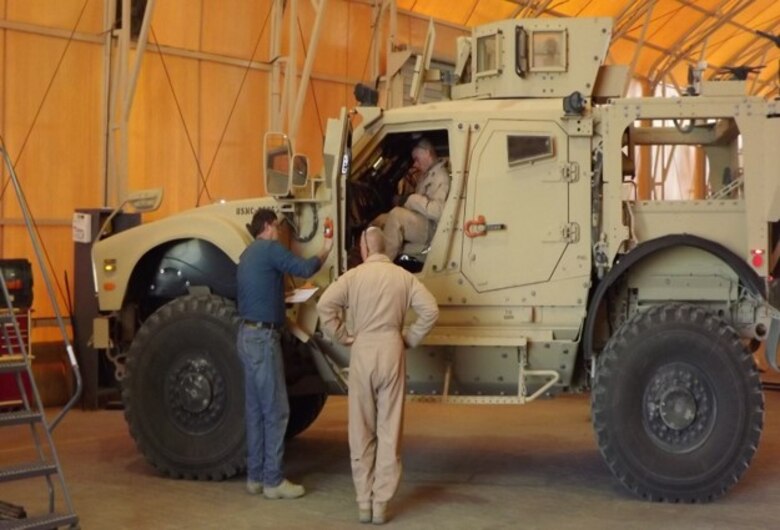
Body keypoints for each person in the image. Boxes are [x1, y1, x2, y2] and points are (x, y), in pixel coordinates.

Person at [316, 227, 439, 524]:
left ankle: (363, 502)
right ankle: (382, 503)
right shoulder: (404, 277)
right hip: (392, 348)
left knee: (361, 428)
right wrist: (409, 338)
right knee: (389, 428)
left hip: (363, 350)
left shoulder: (353, 277)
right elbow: (431, 311)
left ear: (364, 247)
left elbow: (324, 305)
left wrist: (342, 335)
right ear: (387, 248)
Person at [237, 208, 333, 499]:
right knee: (277, 411)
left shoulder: (248, 254)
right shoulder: (269, 249)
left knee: (255, 411)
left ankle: (255, 477)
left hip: (245, 335)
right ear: (268, 226)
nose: (279, 231)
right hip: (263, 340)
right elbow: (304, 269)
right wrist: (326, 248)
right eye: (277, 226)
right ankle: (274, 482)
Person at [375, 138, 450, 260]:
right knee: (380, 220)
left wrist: (413, 199)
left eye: (416, 159)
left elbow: (438, 212)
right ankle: (369, 256)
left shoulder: (441, 177)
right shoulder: (427, 175)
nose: (415, 164)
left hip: (432, 228)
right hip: (422, 221)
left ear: (427, 152)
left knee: (396, 215)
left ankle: (383, 264)